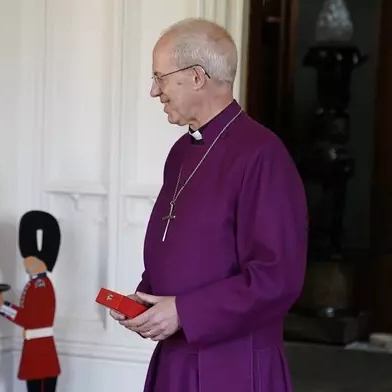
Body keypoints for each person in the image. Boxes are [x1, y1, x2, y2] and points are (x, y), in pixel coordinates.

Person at [109, 18, 308, 392]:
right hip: (176, 358)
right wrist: (149, 302)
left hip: (233, 365)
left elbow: (277, 277)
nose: (154, 91)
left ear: (197, 77)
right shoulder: (182, 151)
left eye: (161, 77)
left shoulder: (263, 154)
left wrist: (184, 311)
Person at [0, 210, 61, 392]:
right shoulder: (35, 284)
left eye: (30, 260)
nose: (26, 263)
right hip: (35, 349)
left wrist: (2, 305)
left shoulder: (41, 285)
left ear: (42, 263)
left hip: (41, 351)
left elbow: (30, 319)